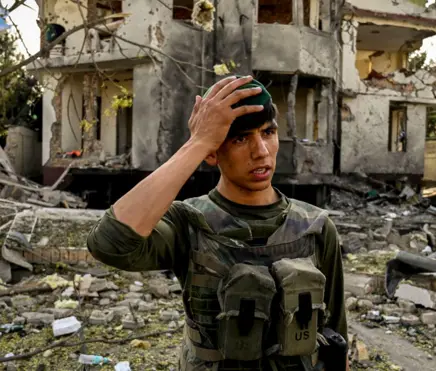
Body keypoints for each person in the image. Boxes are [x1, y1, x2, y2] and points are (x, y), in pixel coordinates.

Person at [86, 75, 348, 371]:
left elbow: (335, 334)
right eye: (240, 138)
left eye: (268, 132)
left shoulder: (316, 227)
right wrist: (197, 142)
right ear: (212, 151)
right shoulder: (187, 222)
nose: (261, 150)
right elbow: (108, 243)